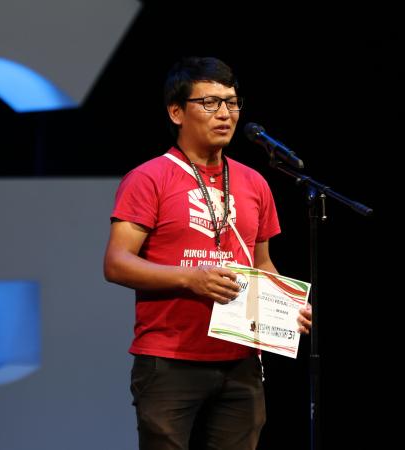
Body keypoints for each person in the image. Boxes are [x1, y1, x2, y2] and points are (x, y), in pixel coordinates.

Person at [104, 56, 312, 450]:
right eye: (210, 103)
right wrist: (191, 278)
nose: (225, 114)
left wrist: (286, 307)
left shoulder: (254, 182)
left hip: (241, 359)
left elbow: (262, 263)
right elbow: (116, 263)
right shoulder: (148, 178)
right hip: (170, 359)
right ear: (176, 112)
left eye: (232, 103)